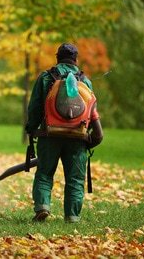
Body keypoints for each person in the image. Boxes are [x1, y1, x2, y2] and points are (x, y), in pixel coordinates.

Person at [25, 43, 103, 223]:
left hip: (49, 135)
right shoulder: (85, 81)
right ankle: (72, 216)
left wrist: (32, 128)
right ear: (75, 60)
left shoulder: (46, 77)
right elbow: (91, 111)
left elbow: (35, 107)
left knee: (44, 174)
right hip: (77, 138)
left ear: (57, 57)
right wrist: (87, 138)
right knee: (75, 179)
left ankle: (43, 206)